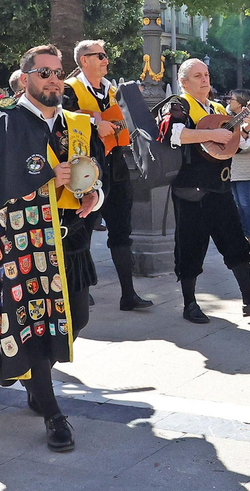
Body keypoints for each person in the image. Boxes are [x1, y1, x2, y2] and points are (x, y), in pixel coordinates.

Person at [0, 44, 104, 453]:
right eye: (44, 73)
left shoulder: (76, 123)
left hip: (71, 243)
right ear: (25, 77)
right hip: (21, 252)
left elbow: (95, 174)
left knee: (75, 319)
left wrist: (92, 195)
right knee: (37, 328)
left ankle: (34, 378)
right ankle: (51, 410)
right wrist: (48, 176)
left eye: (58, 73)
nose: (53, 80)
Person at [157, 58, 250, 324]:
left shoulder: (215, 108)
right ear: (183, 81)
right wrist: (212, 134)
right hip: (191, 190)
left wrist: (244, 127)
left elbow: (234, 144)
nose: (205, 79)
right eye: (197, 75)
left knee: (236, 244)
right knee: (190, 248)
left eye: (206, 74)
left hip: (220, 187)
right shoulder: (178, 104)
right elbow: (175, 134)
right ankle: (189, 304)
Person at [63, 40, 149, 312]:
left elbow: (122, 119)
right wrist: (94, 122)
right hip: (87, 169)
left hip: (116, 166)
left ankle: (129, 294)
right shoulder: (69, 88)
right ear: (83, 60)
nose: (106, 60)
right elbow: (62, 117)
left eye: (105, 55)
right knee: (82, 231)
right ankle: (80, 290)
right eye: (100, 55)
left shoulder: (112, 89)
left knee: (122, 231)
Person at [226, 89, 250, 250]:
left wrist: (232, 144)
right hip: (230, 167)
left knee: (245, 202)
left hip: (244, 167)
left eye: (231, 98)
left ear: (241, 103)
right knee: (234, 202)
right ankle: (240, 235)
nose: (228, 101)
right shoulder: (227, 117)